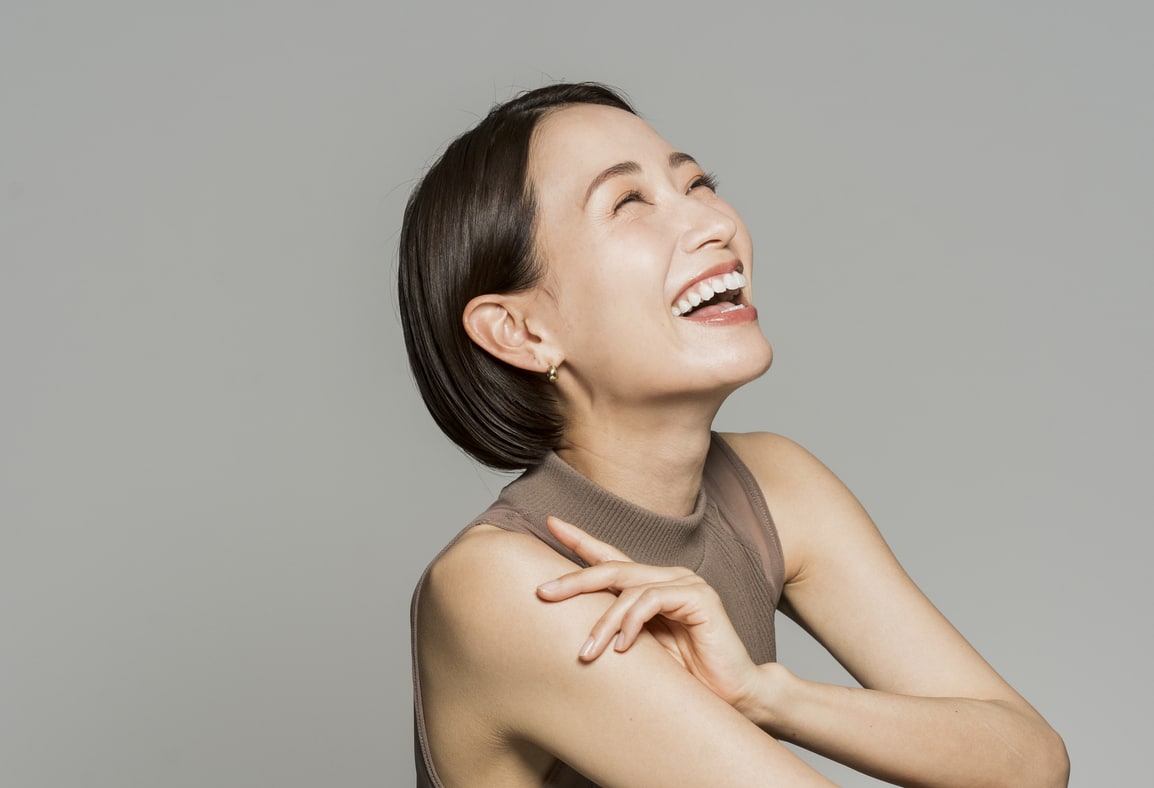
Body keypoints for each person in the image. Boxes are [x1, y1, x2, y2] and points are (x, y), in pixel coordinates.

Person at [398, 82, 1068, 788]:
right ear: (523, 332)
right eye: (629, 202)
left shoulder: (775, 485)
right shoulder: (497, 585)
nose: (710, 221)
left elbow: (1030, 763)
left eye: (696, 183)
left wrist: (768, 694)